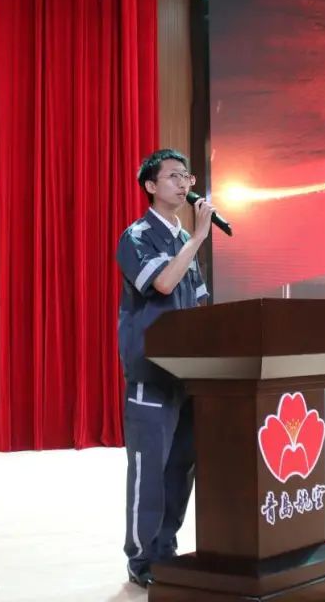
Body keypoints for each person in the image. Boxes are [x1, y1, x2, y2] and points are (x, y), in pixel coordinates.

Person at [116, 149, 214, 588]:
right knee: (149, 470)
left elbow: (200, 303)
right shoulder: (137, 237)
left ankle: (166, 551)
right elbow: (163, 282)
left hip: (188, 377)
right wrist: (199, 238)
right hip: (152, 373)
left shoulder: (183, 240)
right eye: (173, 176)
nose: (183, 183)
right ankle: (141, 560)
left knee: (180, 467)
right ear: (151, 186)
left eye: (186, 176)